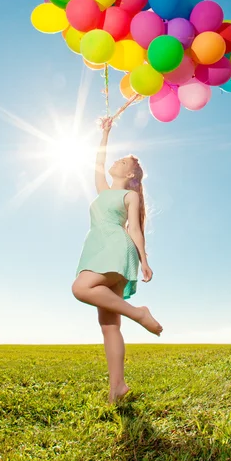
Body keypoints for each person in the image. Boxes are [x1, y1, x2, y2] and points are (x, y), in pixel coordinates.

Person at [72, 116, 163, 403]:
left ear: (130, 174)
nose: (115, 162)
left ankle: (139, 313)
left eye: (121, 161)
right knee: (109, 326)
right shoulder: (104, 190)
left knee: (81, 288)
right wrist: (105, 133)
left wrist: (144, 260)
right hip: (99, 246)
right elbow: (98, 164)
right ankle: (118, 387)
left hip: (115, 246)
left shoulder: (128, 196)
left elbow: (135, 229)